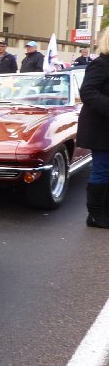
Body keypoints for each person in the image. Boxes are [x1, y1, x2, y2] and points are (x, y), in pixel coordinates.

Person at [76, 27, 109, 228]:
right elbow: (87, 92)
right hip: (100, 128)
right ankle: (95, 215)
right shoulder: (101, 64)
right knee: (102, 170)